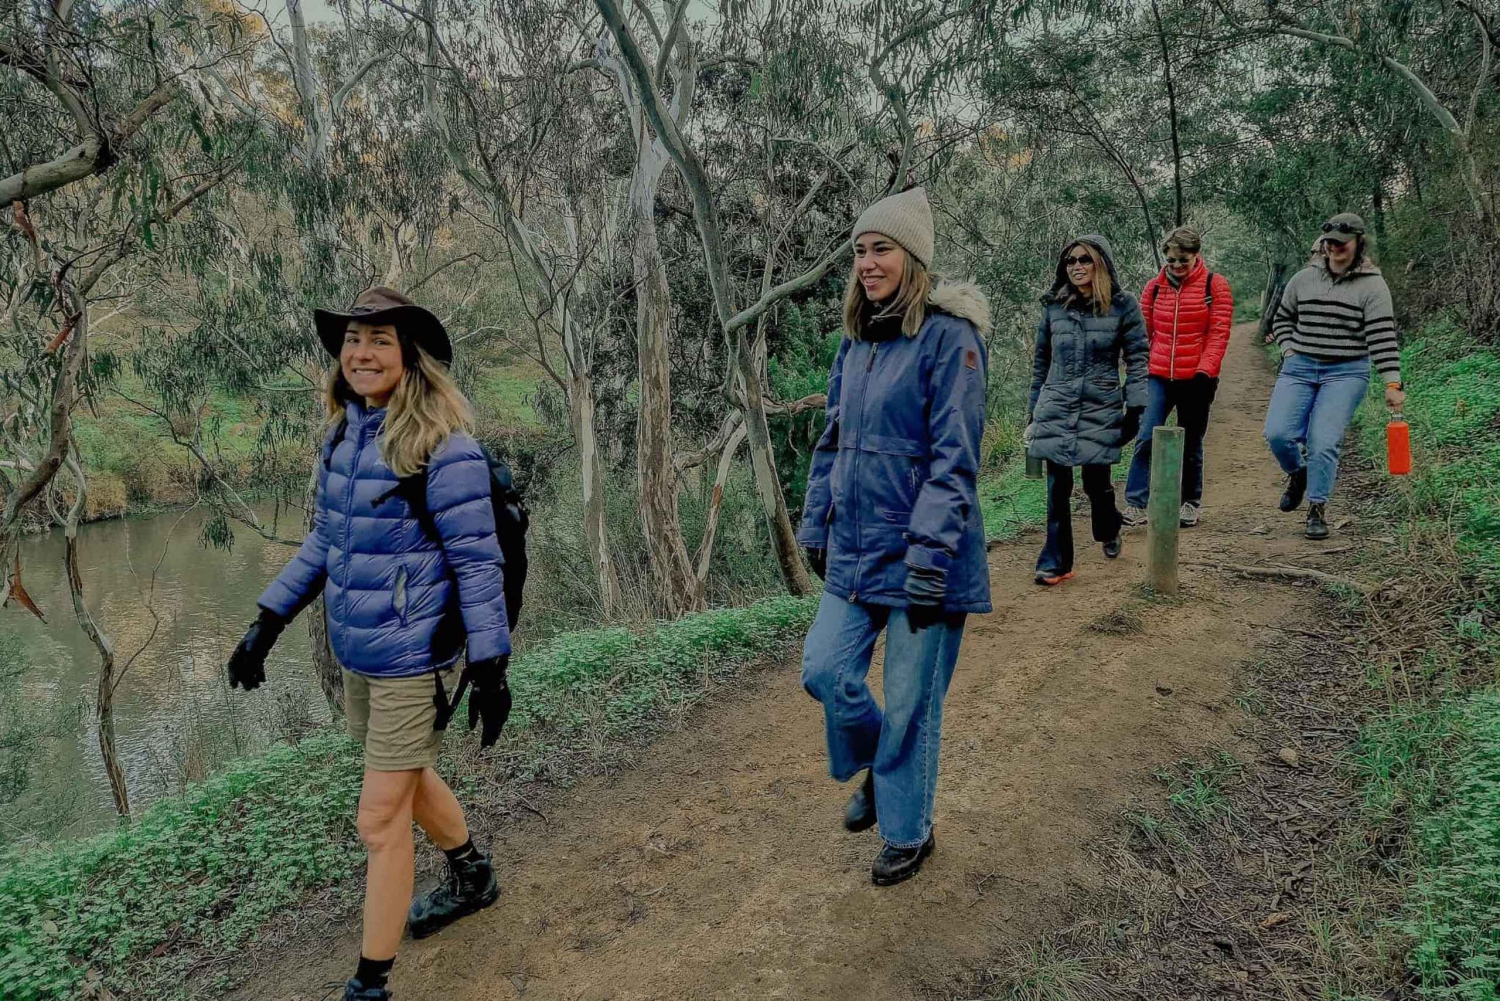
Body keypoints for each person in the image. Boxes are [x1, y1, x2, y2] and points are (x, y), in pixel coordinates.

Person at [223, 287, 514, 1001]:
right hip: (360, 652)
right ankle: (472, 873)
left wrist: (490, 665)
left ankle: (370, 985)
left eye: (379, 339)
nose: (360, 352)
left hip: (415, 656)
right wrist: (268, 621)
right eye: (353, 339)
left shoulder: (444, 447)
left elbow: (479, 563)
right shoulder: (345, 437)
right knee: (406, 779)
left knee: (379, 817)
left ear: (409, 355)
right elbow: (325, 540)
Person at [796, 187, 990, 886]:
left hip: (925, 558)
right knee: (824, 670)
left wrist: (929, 557)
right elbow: (832, 439)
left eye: (881, 249)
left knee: (911, 703)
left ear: (913, 258)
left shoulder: (951, 339)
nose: (867, 263)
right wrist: (815, 520)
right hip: (855, 549)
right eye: (860, 251)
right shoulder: (856, 339)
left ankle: (909, 832)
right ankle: (882, 769)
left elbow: (954, 460)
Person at [1265, 213, 1405, 539]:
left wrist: (1392, 382)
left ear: (1358, 243)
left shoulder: (1373, 285)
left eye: (1342, 243)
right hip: (1300, 366)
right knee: (1277, 433)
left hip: (1346, 371)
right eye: (1329, 243)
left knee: (1323, 440)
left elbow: (1382, 337)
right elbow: (1283, 318)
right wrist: (1288, 349)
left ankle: (1317, 507)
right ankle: (1298, 473)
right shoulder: (1303, 279)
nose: (1334, 248)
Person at [1027, 235, 1149, 586]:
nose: (1076, 266)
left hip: (1100, 406)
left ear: (1101, 263)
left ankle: (1109, 529)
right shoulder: (1054, 306)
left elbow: (1138, 358)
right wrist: (1033, 409)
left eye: (1084, 259)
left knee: (1097, 484)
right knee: (1057, 487)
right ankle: (1056, 562)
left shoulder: (1124, 306)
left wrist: (1135, 407)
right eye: (1070, 261)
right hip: (1056, 405)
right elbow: (1041, 361)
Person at [1122, 227, 1233, 529]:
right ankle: (1136, 503)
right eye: (1171, 260)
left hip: (1197, 378)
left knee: (1191, 441)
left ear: (1196, 255)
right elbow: (1141, 333)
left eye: (1183, 260)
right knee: (1146, 435)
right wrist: (1136, 368)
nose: (1177, 266)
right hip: (1157, 375)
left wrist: (1205, 370)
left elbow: (1219, 332)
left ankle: (1189, 502)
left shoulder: (1214, 285)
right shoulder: (1154, 288)